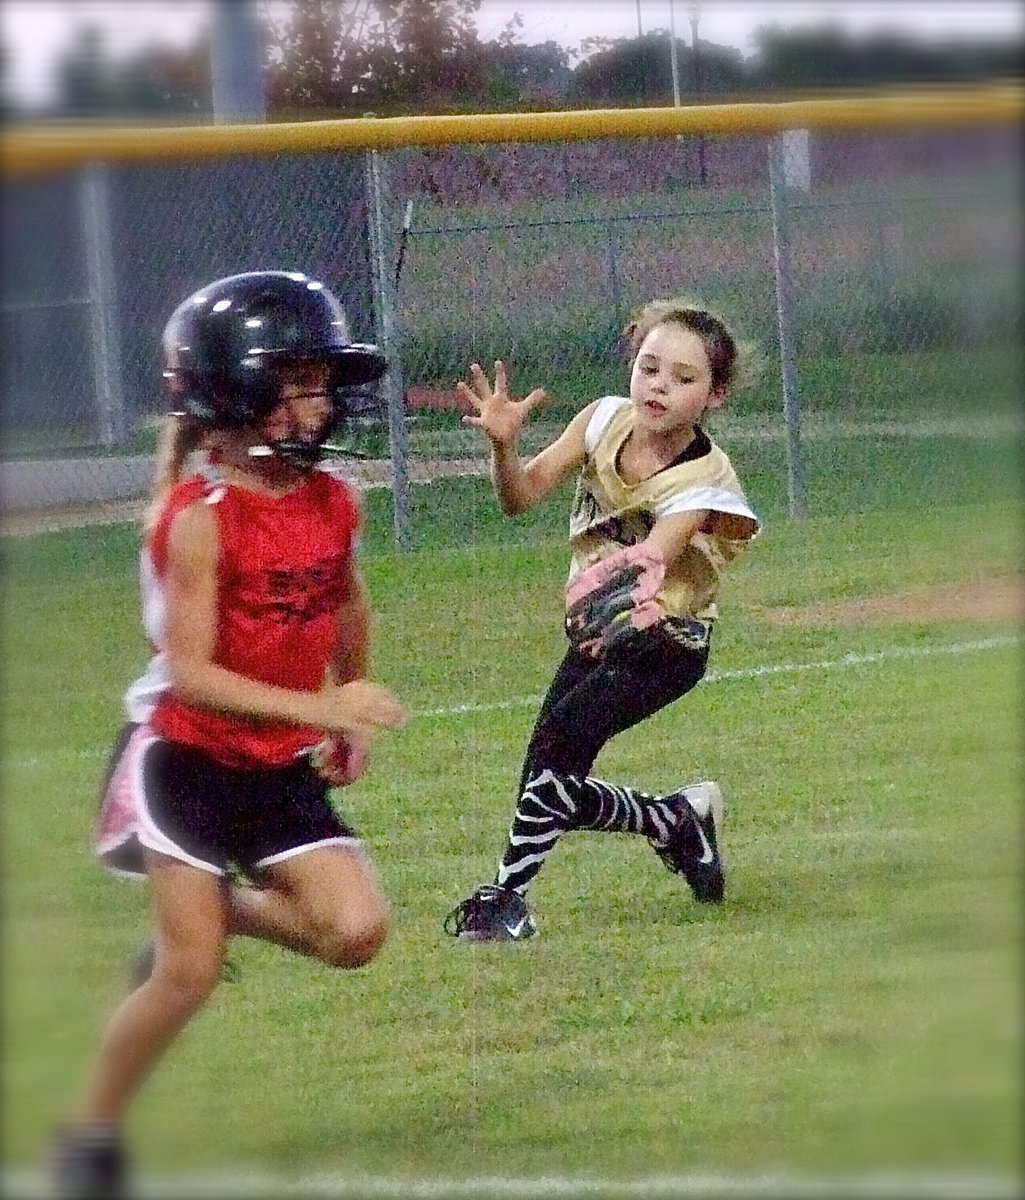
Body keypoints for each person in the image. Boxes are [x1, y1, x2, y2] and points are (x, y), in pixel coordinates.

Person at [48, 270, 409, 1200]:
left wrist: (348, 690)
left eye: (320, 381)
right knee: (187, 979)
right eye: (292, 382)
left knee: (357, 932)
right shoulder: (196, 519)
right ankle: (87, 1132)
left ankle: (218, 912)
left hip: (273, 762)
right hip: (186, 765)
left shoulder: (333, 498)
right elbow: (191, 673)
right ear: (229, 393)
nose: (316, 402)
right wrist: (320, 710)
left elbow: (342, 598)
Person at [443, 298, 760, 942]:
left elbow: (656, 556)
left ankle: (506, 898)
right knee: (546, 777)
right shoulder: (602, 421)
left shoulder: (707, 476)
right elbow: (521, 497)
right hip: (601, 629)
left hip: (666, 641)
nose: (658, 386)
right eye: (649, 367)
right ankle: (673, 821)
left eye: (683, 377)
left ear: (715, 396)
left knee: (560, 750)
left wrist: (625, 577)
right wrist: (504, 449)